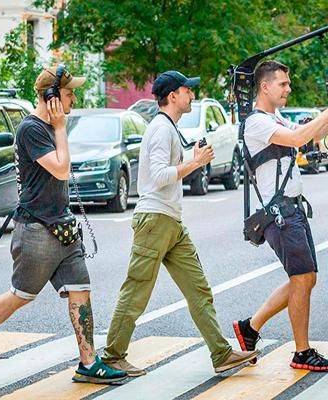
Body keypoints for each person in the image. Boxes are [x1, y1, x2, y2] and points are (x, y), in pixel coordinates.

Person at [0, 65, 127, 384]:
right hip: (38, 230)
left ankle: (88, 362)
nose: (73, 99)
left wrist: (59, 127)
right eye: (69, 94)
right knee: (21, 295)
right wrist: (60, 128)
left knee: (80, 290)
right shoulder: (32, 129)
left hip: (63, 227)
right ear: (51, 98)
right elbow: (61, 170)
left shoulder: (49, 127)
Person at [102, 71, 259, 376]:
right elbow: (159, 176)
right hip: (156, 219)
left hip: (171, 221)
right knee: (136, 292)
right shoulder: (161, 129)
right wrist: (195, 162)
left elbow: (167, 170)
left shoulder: (168, 129)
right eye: (187, 90)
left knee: (198, 289)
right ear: (172, 96)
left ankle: (221, 353)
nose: (192, 95)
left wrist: (192, 158)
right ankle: (111, 357)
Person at [232, 60, 328, 371]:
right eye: (283, 84)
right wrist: (327, 110)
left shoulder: (276, 118)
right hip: (279, 212)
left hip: (293, 208)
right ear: (265, 86)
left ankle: (249, 328)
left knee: (306, 278)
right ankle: (301, 352)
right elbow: (297, 140)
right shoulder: (256, 123)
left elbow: (309, 136)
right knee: (301, 278)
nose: (288, 88)